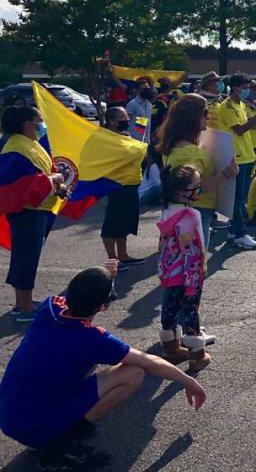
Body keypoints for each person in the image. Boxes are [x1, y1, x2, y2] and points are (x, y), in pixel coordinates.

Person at [0, 264, 206, 458]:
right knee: (134, 372)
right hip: (36, 429)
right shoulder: (92, 339)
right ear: (103, 308)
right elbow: (150, 362)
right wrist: (189, 382)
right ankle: (66, 436)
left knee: (79, 362)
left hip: (8, 417)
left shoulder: (49, 308)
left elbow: (82, 291)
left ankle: (59, 420)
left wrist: (103, 276)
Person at [0, 107, 64, 322]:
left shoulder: (29, 144)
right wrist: (53, 179)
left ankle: (22, 303)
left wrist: (56, 185)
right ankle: (26, 308)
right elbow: (17, 186)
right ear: (27, 124)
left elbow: (39, 174)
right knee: (26, 258)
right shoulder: (15, 149)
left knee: (25, 256)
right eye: (40, 121)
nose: (42, 125)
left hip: (38, 210)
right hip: (27, 213)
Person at [156, 93, 239, 250]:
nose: (208, 117)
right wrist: (226, 174)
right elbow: (193, 188)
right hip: (196, 212)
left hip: (184, 211)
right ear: (192, 117)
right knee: (195, 265)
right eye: (205, 112)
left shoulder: (174, 144)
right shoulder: (190, 152)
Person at [157, 166, 211, 371]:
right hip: (188, 274)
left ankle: (171, 349)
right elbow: (193, 251)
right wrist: (195, 278)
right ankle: (197, 355)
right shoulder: (190, 215)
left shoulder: (167, 212)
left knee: (169, 309)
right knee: (190, 311)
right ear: (181, 191)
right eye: (196, 186)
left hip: (170, 273)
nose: (199, 190)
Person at [219, 74, 256, 250]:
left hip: (247, 155)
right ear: (234, 88)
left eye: (249, 88)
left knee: (241, 197)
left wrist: (252, 153)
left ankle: (234, 231)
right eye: (244, 87)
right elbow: (240, 130)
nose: (247, 91)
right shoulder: (226, 106)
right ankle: (239, 233)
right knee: (238, 198)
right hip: (237, 157)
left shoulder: (241, 104)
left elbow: (247, 131)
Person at [100, 107, 145, 267]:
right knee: (113, 222)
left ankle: (123, 254)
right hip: (117, 185)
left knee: (125, 221)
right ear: (111, 121)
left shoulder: (124, 136)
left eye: (126, 117)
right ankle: (112, 259)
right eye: (121, 117)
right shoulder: (105, 138)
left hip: (131, 185)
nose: (125, 120)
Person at [125, 79, 155, 144]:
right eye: (145, 88)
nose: (148, 90)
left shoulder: (149, 105)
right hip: (133, 140)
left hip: (145, 140)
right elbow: (126, 122)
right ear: (139, 90)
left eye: (148, 88)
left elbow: (145, 122)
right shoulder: (133, 104)